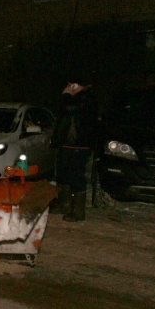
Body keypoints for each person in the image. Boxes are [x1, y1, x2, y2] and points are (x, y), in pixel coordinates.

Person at [50, 80, 98, 222]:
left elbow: (69, 108)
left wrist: (67, 95)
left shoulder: (86, 99)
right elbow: (61, 114)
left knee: (76, 176)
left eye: (72, 85)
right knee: (63, 175)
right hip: (66, 144)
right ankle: (64, 205)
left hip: (78, 145)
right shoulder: (76, 100)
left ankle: (77, 212)